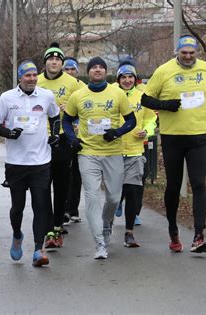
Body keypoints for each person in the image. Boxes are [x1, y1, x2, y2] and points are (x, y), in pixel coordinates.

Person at [141, 35, 206, 253]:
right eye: (184, 53)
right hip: (173, 137)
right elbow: (145, 99)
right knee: (173, 186)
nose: (188, 57)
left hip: (199, 135)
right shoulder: (164, 71)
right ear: (177, 52)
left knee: (199, 184)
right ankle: (173, 229)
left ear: (197, 53)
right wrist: (166, 105)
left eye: (192, 53)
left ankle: (198, 236)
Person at [62, 57, 136, 259]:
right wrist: (72, 139)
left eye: (101, 67)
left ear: (106, 71)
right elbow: (67, 120)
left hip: (112, 152)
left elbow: (132, 120)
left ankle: (106, 223)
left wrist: (117, 132)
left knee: (113, 197)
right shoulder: (78, 95)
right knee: (92, 197)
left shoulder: (117, 93)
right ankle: (99, 242)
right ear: (88, 72)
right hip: (88, 153)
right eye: (93, 67)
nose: (97, 70)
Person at [0, 60, 60, 267]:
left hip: (41, 161)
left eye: (33, 75)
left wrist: (55, 135)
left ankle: (39, 249)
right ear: (20, 78)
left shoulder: (46, 96)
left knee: (40, 205)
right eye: (27, 76)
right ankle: (17, 234)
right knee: (18, 208)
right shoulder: (7, 98)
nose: (31, 79)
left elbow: (55, 117)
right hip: (16, 162)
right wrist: (9, 133)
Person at [37, 42, 83, 249]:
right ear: (45, 62)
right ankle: (48, 228)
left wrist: (72, 109)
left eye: (57, 59)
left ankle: (57, 226)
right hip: (40, 140)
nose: (53, 62)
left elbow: (88, 102)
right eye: (50, 59)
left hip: (63, 139)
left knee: (62, 185)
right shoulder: (35, 81)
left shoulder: (73, 83)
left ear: (62, 63)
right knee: (42, 186)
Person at [115, 63, 157, 247]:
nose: (127, 80)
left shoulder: (142, 96)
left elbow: (151, 118)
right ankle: (107, 227)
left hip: (135, 151)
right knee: (113, 195)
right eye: (123, 77)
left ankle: (129, 233)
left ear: (135, 79)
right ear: (118, 79)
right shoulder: (110, 94)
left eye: (130, 77)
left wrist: (146, 131)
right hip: (113, 151)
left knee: (132, 191)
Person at [62, 56, 86, 224]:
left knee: (76, 174)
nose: (70, 72)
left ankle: (74, 208)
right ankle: (62, 208)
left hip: (79, 136)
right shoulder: (58, 87)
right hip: (62, 136)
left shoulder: (83, 88)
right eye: (67, 69)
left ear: (77, 71)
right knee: (64, 174)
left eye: (72, 69)